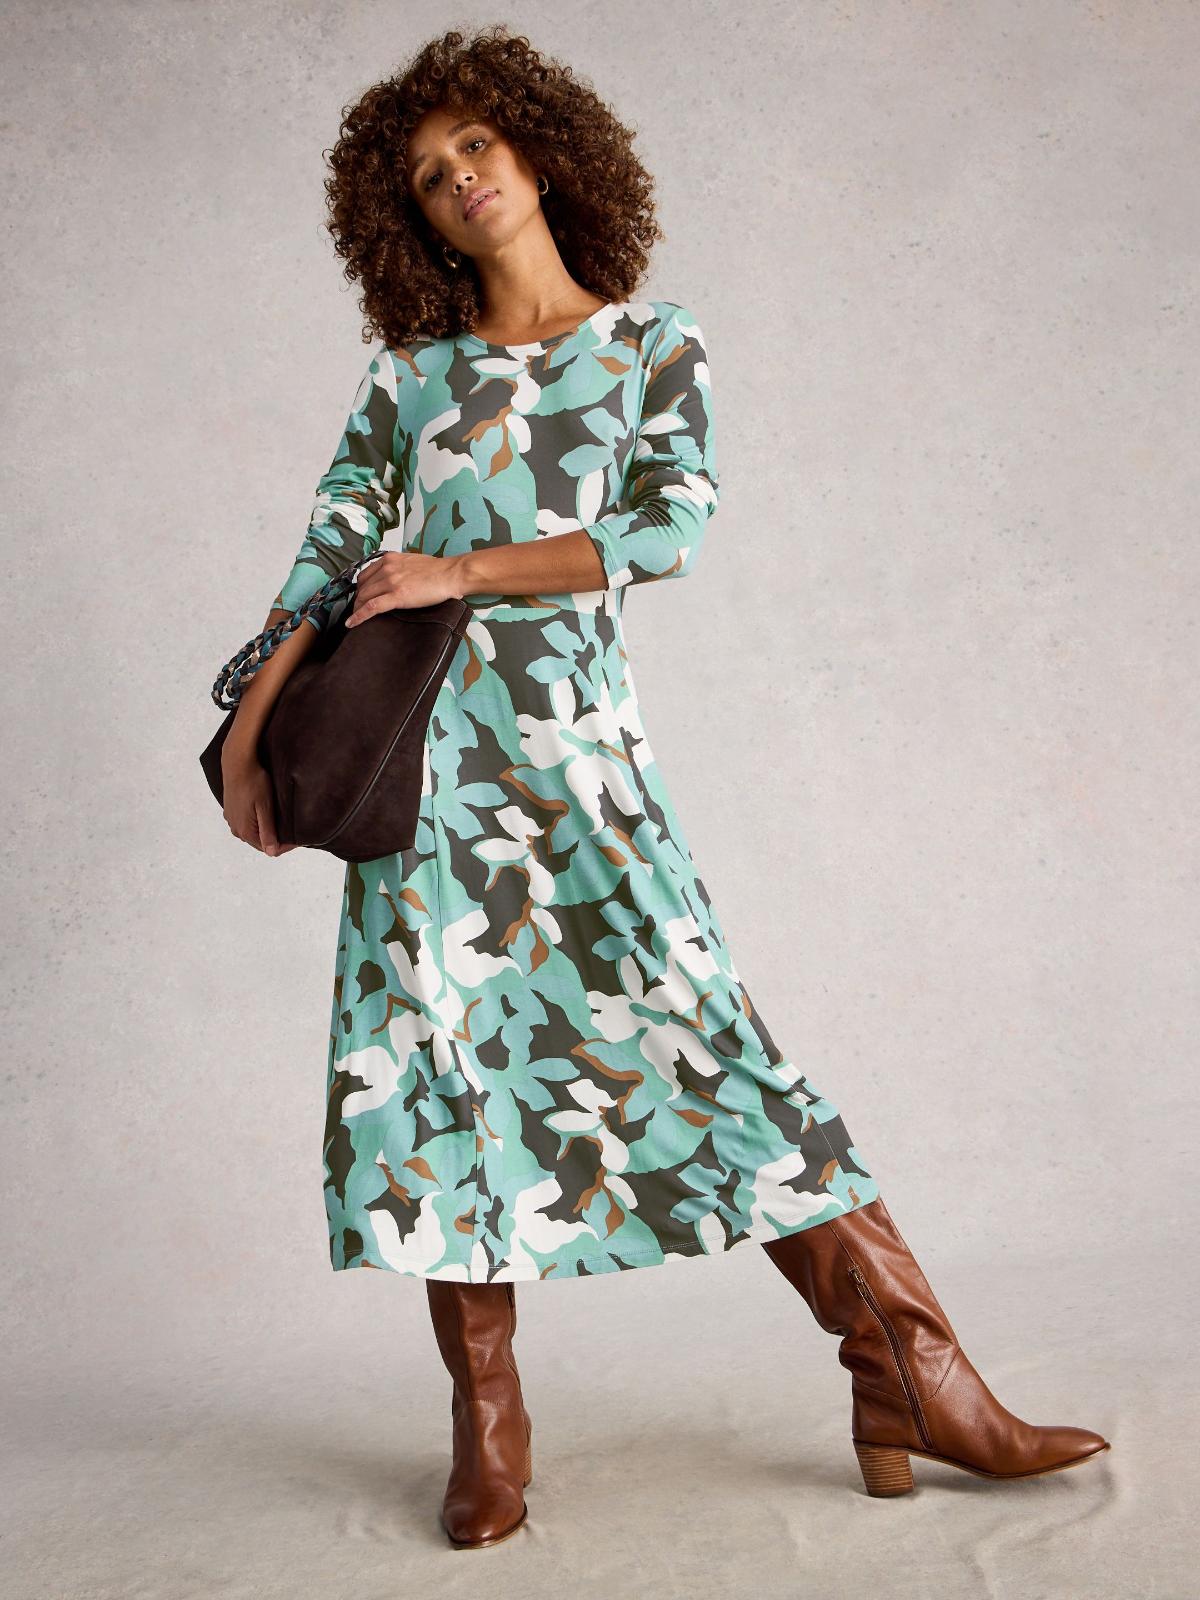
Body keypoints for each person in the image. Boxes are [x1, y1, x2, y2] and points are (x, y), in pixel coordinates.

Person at [218, 24, 1110, 1550]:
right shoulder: (408, 377)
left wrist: (458, 569)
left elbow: (663, 528)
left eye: (475, 146)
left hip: (582, 772)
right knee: (440, 1076)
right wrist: (249, 731)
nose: (458, 180)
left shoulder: (651, 346)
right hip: (426, 788)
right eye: (426, 177)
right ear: (407, 221)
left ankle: (910, 1373)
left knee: (714, 1051)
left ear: (538, 147)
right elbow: (328, 556)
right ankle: (488, 1434)